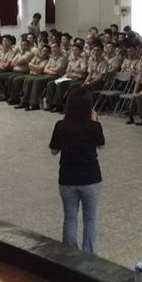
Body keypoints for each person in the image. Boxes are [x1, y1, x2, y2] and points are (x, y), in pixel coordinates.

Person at [48, 88, 105, 255]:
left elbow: (53, 150)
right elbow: (101, 145)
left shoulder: (61, 125)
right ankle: (89, 253)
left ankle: (69, 253)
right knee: (90, 219)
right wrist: (94, 121)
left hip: (67, 178)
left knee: (70, 218)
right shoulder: (93, 126)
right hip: (91, 178)